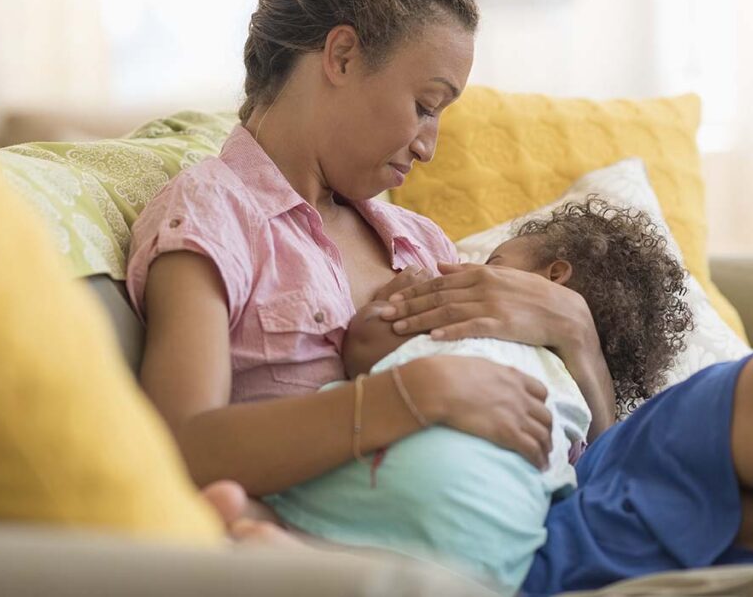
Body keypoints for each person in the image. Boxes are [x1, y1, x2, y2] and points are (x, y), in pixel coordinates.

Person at [127, 0, 753, 596]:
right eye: (425, 105)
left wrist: (575, 336)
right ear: (340, 54)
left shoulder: (416, 240)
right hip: (432, 530)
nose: (429, 144)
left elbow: (581, 448)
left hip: (552, 507)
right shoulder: (213, 216)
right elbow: (178, 445)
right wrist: (410, 396)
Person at [261, 198, 693, 595]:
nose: (465, 268)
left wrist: (389, 304)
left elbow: (365, 349)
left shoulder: (469, 322)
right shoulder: (574, 401)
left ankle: (266, 531)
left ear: (555, 275)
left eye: (492, 262)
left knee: (263, 500)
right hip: (489, 553)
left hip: (383, 489)